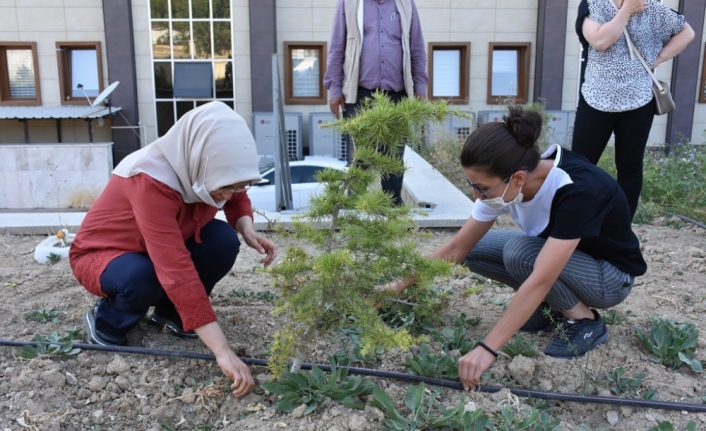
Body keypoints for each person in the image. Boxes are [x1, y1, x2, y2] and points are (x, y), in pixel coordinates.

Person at [391, 106, 647, 391]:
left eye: (482, 188)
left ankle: (584, 320)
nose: (476, 195)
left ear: (518, 179)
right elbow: (458, 246)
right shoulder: (507, 176)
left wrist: (486, 349)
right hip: (570, 264)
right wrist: (398, 286)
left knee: (521, 253)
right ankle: (547, 309)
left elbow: (542, 278)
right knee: (475, 250)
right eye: (471, 184)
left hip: (608, 277)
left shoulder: (577, 190)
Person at [69, 101, 277, 398]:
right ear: (199, 160)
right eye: (224, 187)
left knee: (222, 240)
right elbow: (175, 270)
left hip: (159, 250)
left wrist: (246, 229)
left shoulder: (206, 164)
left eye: (234, 186)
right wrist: (223, 351)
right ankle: (107, 321)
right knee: (144, 276)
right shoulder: (150, 179)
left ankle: (171, 314)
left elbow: (236, 192)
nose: (228, 194)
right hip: (105, 255)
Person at [571, 0, 694, 219]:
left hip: (639, 101)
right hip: (596, 99)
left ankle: (621, 227)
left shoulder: (653, 8)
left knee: (630, 168)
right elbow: (600, 41)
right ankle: (574, 220)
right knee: (580, 165)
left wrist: (658, 59)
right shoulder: (593, 4)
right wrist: (626, 11)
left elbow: (687, 32)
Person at [323, 0, 429, 206]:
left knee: (394, 157)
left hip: (397, 97)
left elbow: (416, 48)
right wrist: (335, 89)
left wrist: (420, 87)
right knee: (359, 157)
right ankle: (354, 210)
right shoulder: (349, 3)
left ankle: (392, 210)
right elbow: (336, 48)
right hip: (360, 95)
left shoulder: (406, 4)